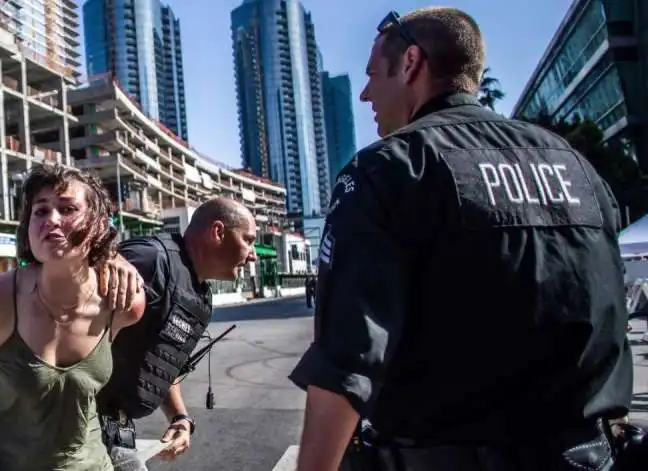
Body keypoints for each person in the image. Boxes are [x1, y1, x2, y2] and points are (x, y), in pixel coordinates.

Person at [289, 7, 634, 471]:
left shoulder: (389, 170)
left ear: (410, 63)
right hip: (590, 458)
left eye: (373, 74)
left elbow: (346, 361)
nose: (367, 93)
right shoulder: (577, 170)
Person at [0, 165, 147, 471]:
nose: (51, 221)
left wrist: (114, 254)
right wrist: (1, 385)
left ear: (98, 224)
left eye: (68, 208)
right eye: (40, 211)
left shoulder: (122, 303)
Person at [96, 196, 258, 470]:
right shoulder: (151, 259)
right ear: (218, 232)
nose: (252, 254)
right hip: (82, 421)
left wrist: (179, 417)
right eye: (248, 240)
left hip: (117, 427)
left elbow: (163, 364)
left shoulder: (200, 299)